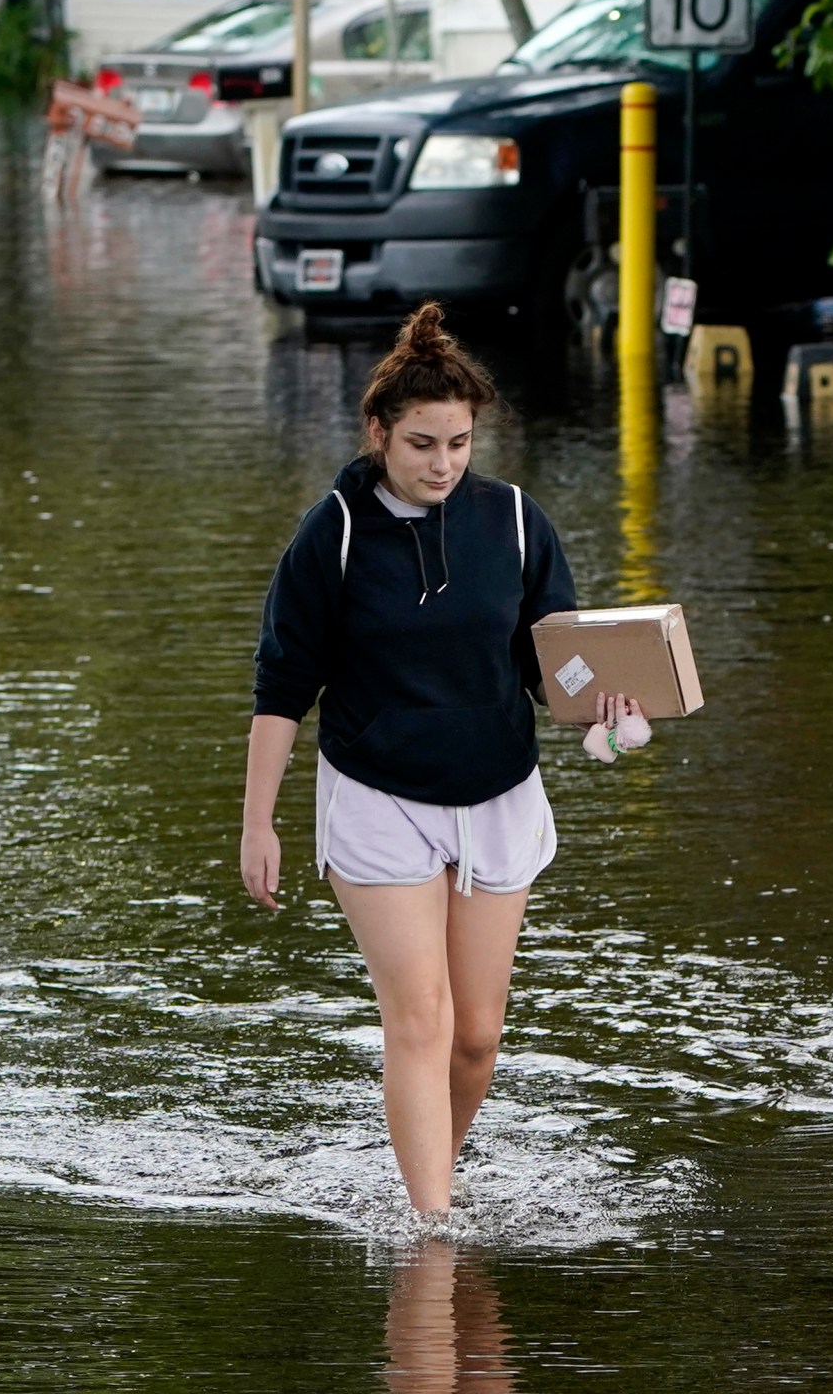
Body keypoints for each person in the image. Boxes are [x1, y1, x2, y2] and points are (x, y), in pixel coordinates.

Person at [240, 302, 590, 1215]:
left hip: (498, 789)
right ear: (379, 432)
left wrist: (608, 699)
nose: (442, 464)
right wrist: (258, 822)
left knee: (476, 1037)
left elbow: (556, 673)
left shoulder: (515, 521)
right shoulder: (335, 533)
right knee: (422, 1018)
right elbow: (283, 687)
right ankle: (433, 1235)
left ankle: (426, 1172)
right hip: (375, 790)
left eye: (460, 444)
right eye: (423, 444)